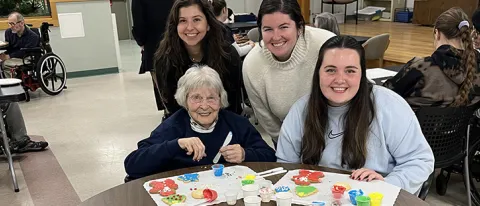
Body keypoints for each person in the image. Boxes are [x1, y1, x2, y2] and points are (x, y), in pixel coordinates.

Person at [276, 36, 434, 194]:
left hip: (375, 198)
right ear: (318, 73)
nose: (340, 79)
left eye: (350, 71)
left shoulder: (390, 105)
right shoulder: (301, 110)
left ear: (362, 74)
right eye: (330, 70)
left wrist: (387, 184)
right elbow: (286, 165)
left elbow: (420, 160)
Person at [124, 65, 276, 179]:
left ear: (220, 99)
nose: (204, 106)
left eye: (211, 98)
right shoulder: (173, 126)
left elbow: (270, 156)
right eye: (196, 98)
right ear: (185, 100)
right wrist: (175, 145)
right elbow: (132, 165)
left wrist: (245, 154)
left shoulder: (237, 123)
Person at [242, 0, 336, 145]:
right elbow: (268, 121)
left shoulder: (326, 45)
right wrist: (290, 149)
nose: (276, 36)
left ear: (299, 27)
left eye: (283, 27)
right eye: (268, 29)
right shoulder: (252, 65)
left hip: (337, 135)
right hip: (289, 140)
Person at [155, 0, 243, 119]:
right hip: (183, 126)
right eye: (183, 21)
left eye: (196, 19)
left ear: (208, 24)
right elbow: (173, 109)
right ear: (175, 25)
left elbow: (233, 105)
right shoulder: (164, 59)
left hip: (225, 123)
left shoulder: (228, 55)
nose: (190, 27)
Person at [384, 7, 480, 111]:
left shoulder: (420, 67)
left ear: (437, 33)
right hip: (460, 127)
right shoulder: (476, 67)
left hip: (412, 126)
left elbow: (385, 96)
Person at [131, 0, 175, 111]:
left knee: (161, 84)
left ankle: (168, 111)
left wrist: (141, 41)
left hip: (154, 44)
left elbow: (139, 23)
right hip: (179, 39)